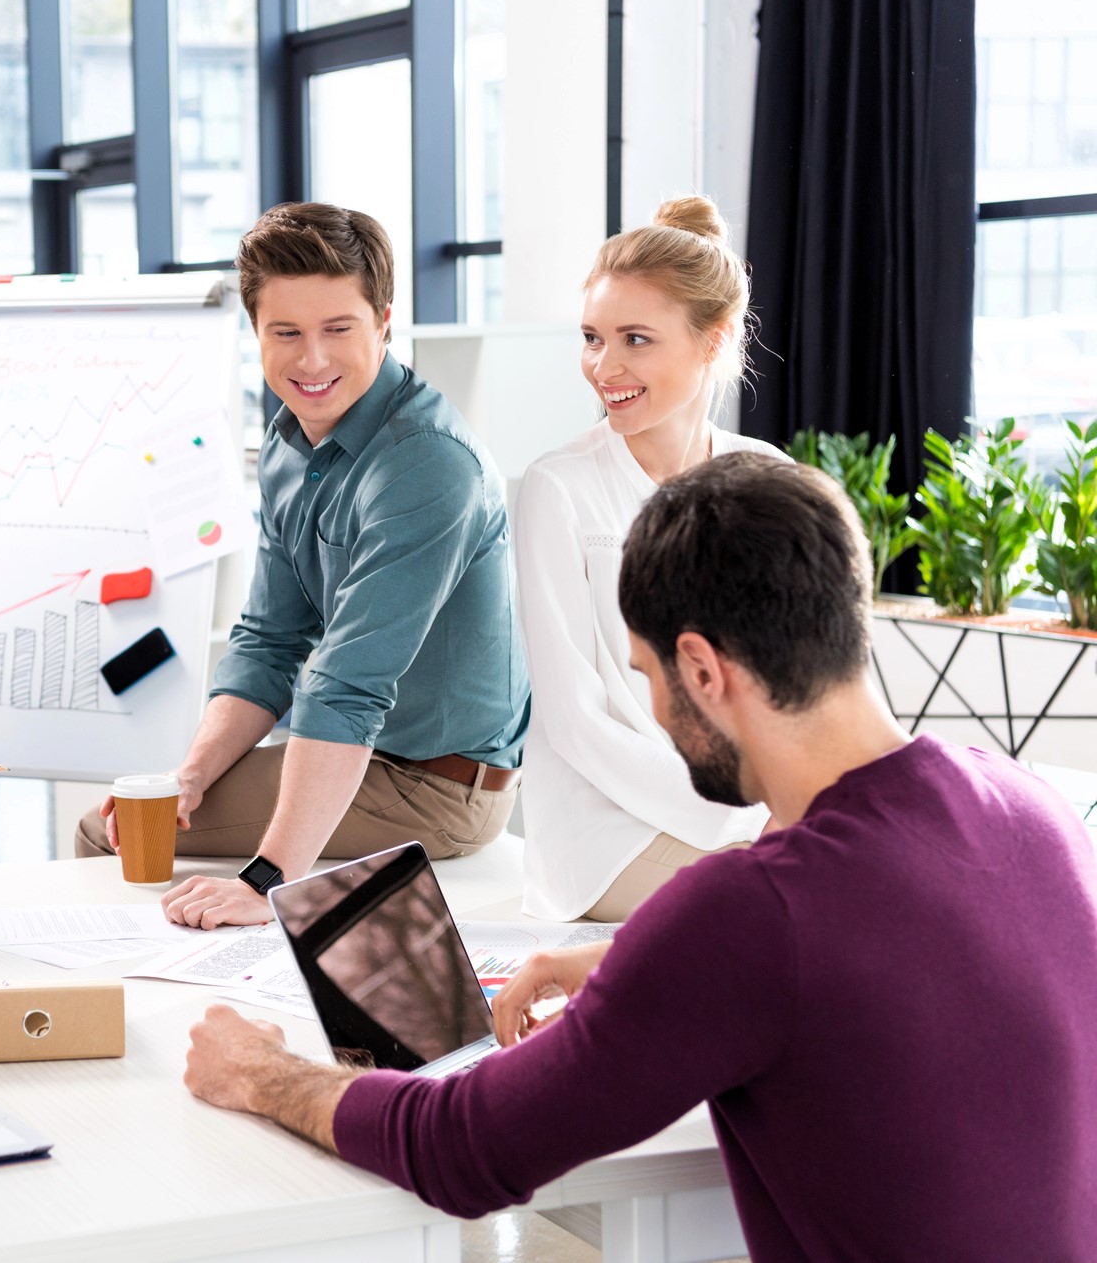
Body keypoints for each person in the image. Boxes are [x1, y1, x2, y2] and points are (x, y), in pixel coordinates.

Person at [179, 455, 1097, 1260]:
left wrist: (261, 1072)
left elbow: (469, 1147)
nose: (654, 708)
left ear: (701, 669)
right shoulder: (1031, 807)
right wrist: (626, 956)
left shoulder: (753, 913)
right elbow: (874, 939)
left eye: (647, 674)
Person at [75, 202, 529, 929]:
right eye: (286, 332)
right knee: (144, 815)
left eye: (337, 329)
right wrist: (188, 777)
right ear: (255, 333)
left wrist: (266, 882)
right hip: (370, 756)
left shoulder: (428, 464)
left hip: (440, 790)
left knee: (109, 835)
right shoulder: (291, 444)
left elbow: (346, 683)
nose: (311, 360)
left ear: (384, 320)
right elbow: (269, 642)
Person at [516, 196, 782, 922]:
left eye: (636, 338)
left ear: (713, 340)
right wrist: (732, 811)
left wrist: (773, 799)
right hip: (605, 829)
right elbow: (575, 720)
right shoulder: (558, 489)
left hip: (748, 804)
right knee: (784, 908)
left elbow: (780, 680)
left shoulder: (764, 478)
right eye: (592, 338)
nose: (604, 366)